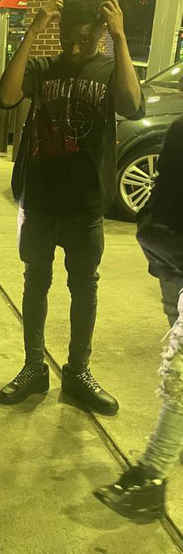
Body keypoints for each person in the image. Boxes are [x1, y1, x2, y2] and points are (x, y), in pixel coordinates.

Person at [0, 0, 145, 415]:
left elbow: (131, 104)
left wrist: (119, 38)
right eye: (67, 39)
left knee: (83, 288)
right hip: (41, 202)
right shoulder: (43, 68)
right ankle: (33, 368)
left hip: (86, 204)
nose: (75, 48)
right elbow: (6, 96)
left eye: (85, 39)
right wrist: (33, 31)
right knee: (35, 282)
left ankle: (78, 372)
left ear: (99, 30)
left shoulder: (109, 69)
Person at [95, 106, 183, 521]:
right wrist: (152, 231)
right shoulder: (180, 126)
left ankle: (151, 477)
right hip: (170, 257)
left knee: (180, 375)